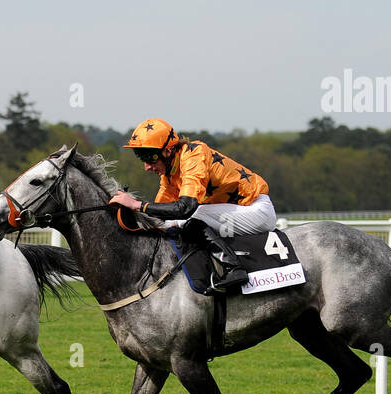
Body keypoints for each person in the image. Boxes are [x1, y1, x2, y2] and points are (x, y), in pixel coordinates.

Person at [108, 117, 276, 290]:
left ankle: (234, 268)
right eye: (141, 158)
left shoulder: (194, 155)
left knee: (195, 215)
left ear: (168, 150)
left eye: (150, 158)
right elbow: (160, 216)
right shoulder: (170, 173)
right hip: (235, 214)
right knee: (173, 222)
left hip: (257, 211)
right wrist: (127, 210)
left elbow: (185, 208)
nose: (147, 167)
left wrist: (137, 205)